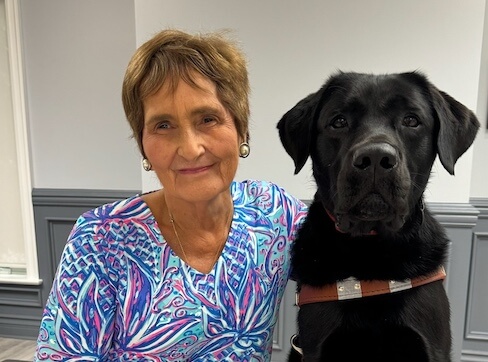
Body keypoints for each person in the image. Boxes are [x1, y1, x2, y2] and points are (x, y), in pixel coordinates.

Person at [35, 28, 307, 361]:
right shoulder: (100, 239)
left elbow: (355, 261)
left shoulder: (273, 213)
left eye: (207, 118)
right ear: (143, 145)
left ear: (241, 129)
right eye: (163, 125)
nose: (191, 149)